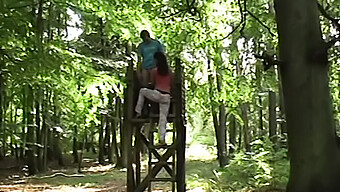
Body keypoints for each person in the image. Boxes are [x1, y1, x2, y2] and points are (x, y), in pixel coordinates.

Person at [135, 52, 173, 145]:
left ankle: (138, 111)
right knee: (163, 119)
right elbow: (172, 83)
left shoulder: (154, 71)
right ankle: (162, 139)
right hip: (166, 96)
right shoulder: (170, 71)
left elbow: (152, 83)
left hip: (157, 94)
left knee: (142, 91)